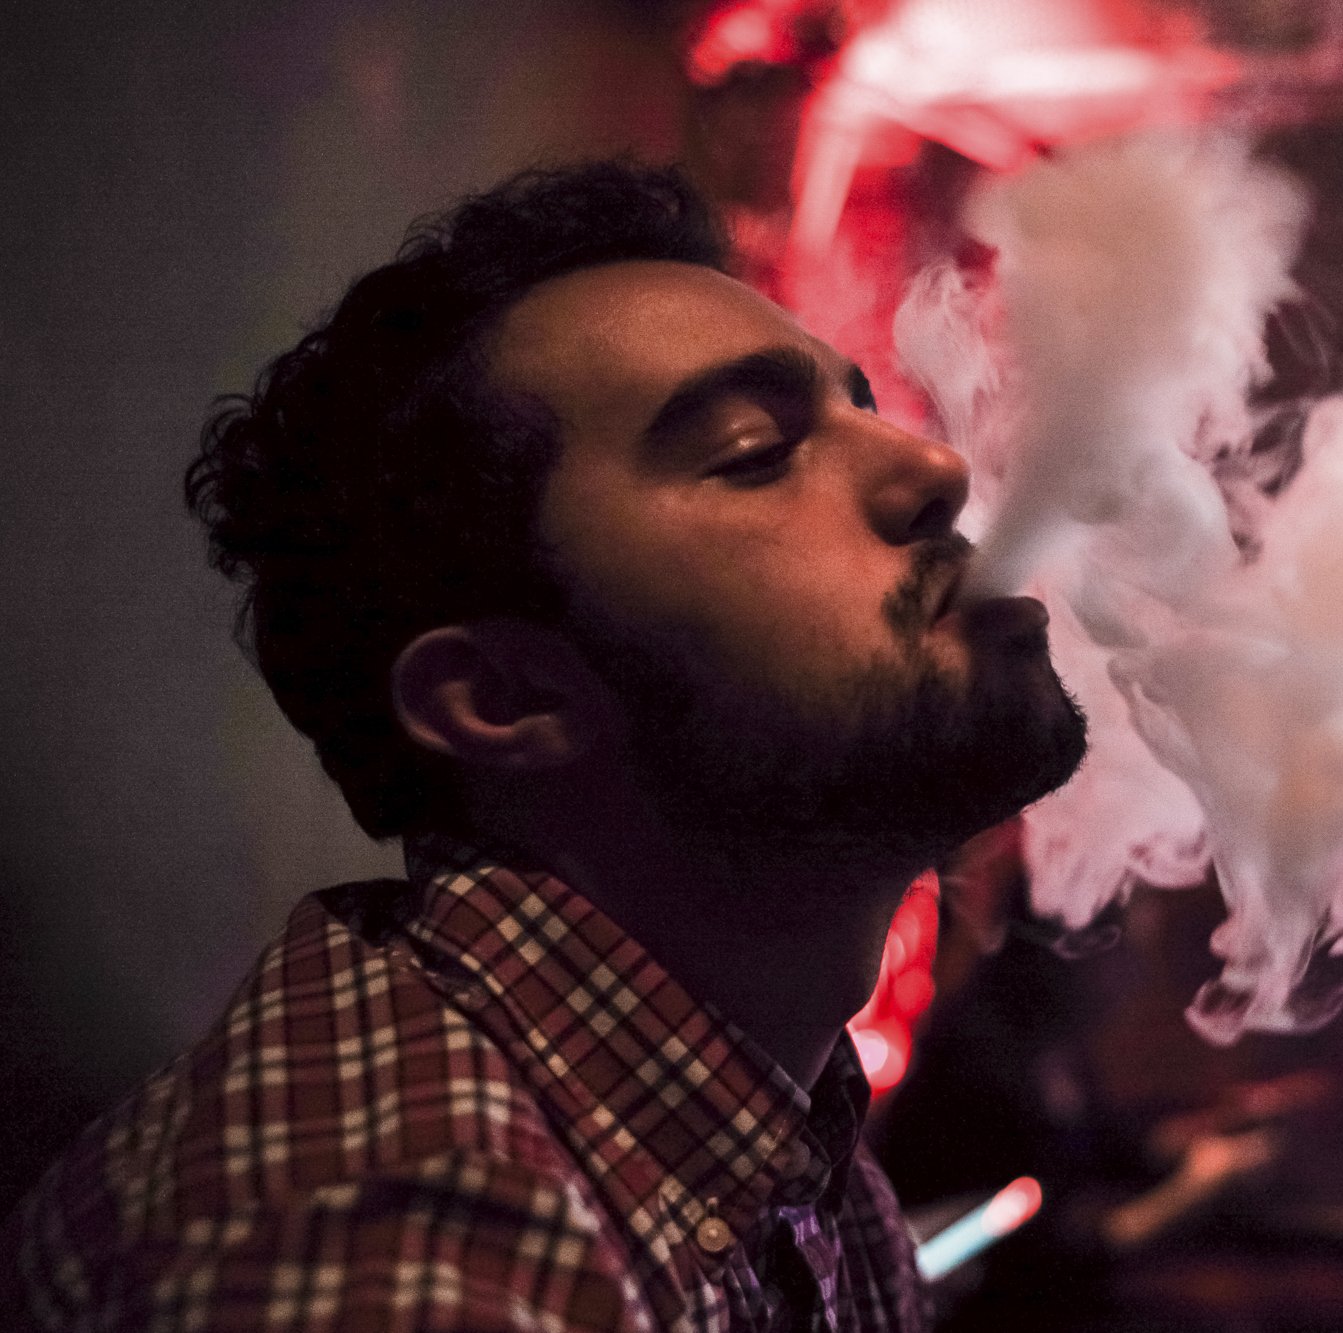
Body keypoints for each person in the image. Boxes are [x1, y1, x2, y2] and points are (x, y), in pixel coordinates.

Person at [0, 162, 1088, 1331]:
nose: (934, 469)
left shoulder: (781, 1148)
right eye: (751, 449)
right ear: (505, 697)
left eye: (861, 410)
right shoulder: (400, 1249)